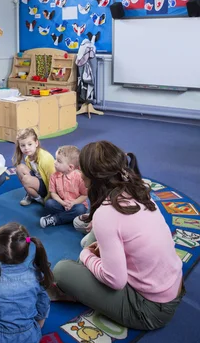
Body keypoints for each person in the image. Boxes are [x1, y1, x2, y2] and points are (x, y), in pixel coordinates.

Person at [52, 141, 184, 331]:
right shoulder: (135, 189)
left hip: (151, 309)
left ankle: (76, 288)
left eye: (82, 170)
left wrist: (86, 256)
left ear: (92, 177)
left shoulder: (106, 214)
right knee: (90, 239)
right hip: (172, 286)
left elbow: (115, 280)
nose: (79, 174)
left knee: (62, 270)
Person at [40, 145, 88, 228]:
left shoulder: (79, 177)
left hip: (75, 205)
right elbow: (53, 193)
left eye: (59, 161)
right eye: (56, 159)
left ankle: (55, 219)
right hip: (61, 204)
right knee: (49, 204)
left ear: (70, 167)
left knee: (80, 209)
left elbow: (84, 195)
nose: (55, 162)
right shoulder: (54, 176)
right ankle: (68, 217)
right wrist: (62, 203)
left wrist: (73, 203)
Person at [13, 128, 55, 206]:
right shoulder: (28, 158)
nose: (26, 148)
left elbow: (53, 180)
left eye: (30, 144)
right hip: (39, 182)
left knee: (26, 179)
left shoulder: (45, 159)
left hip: (48, 187)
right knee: (19, 168)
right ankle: (32, 195)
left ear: (36, 143)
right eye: (23, 145)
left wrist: (48, 197)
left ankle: (41, 199)